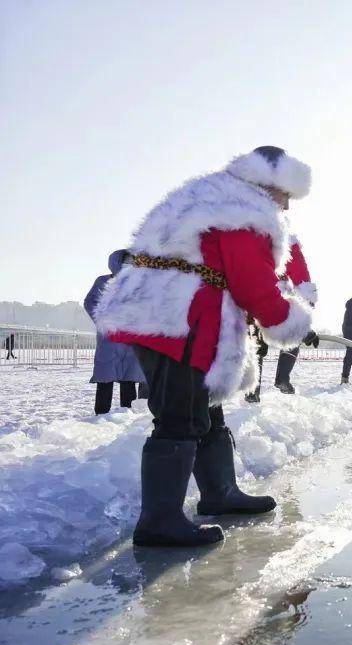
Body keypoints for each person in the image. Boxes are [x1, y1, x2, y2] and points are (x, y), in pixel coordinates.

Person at [92, 146, 318, 547]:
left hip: (174, 310)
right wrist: (288, 321)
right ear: (268, 185)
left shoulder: (217, 194)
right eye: (286, 195)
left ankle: (219, 493)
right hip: (174, 317)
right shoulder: (243, 210)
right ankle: (159, 521)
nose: (287, 205)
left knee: (205, 407)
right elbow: (251, 280)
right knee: (180, 415)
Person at [84, 250, 147, 414]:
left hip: (130, 336)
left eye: (132, 262)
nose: (130, 265)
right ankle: (101, 414)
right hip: (109, 337)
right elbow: (90, 302)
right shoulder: (104, 281)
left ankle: (127, 414)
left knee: (130, 377)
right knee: (105, 377)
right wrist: (102, 320)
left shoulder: (139, 283)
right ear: (116, 263)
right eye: (126, 262)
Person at [272, 234, 318, 394]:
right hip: (274, 294)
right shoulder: (288, 242)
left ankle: (252, 392)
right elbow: (301, 274)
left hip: (250, 290)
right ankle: (282, 378)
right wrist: (308, 304)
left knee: (256, 343)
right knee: (294, 335)